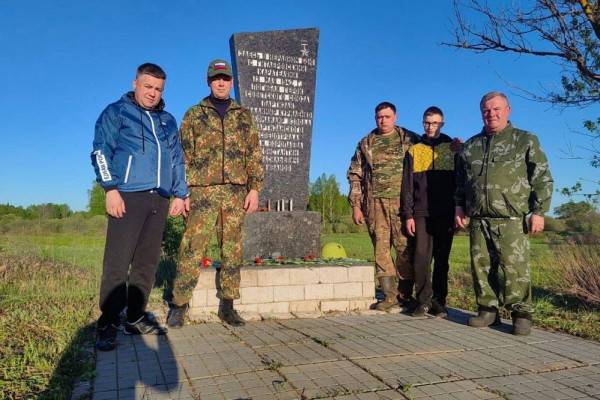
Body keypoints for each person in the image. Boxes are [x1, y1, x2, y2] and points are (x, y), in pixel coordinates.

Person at [91, 63, 189, 351]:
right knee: (117, 263)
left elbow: (177, 159)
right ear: (136, 83)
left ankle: (134, 317)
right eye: (148, 86)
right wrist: (110, 189)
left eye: (158, 89)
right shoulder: (117, 112)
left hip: (159, 199)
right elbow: (100, 152)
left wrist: (180, 194)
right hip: (127, 196)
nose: (153, 93)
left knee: (147, 264)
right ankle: (107, 322)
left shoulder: (168, 121)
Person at [167, 59, 264, 327]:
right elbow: (180, 155)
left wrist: (254, 188)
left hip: (235, 191)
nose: (221, 82)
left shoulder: (243, 115)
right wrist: (181, 191)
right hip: (202, 191)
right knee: (191, 247)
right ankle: (179, 304)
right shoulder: (194, 114)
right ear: (209, 82)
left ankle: (229, 305)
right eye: (215, 78)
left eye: (225, 78)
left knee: (232, 249)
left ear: (231, 81)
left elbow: (254, 154)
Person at [455, 91, 553, 335]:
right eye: (486, 110)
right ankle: (488, 310)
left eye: (496, 109)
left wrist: (539, 211)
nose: (492, 114)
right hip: (479, 219)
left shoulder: (525, 140)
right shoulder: (471, 146)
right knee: (482, 268)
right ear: (481, 113)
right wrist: (459, 206)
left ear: (508, 110)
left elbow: (541, 177)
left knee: (515, 268)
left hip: (511, 219)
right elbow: (460, 181)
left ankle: (521, 313)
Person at [347, 102, 419, 311]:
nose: (383, 120)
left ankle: (405, 294)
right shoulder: (366, 143)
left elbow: (429, 160)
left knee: (405, 248)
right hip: (375, 204)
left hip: (402, 205)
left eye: (387, 116)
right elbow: (355, 175)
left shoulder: (410, 139)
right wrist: (356, 206)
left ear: (395, 117)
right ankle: (389, 295)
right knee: (381, 249)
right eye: (379, 117)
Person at [401, 106, 456, 318]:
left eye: (435, 123)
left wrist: (459, 209)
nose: (430, 126)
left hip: (445, 212)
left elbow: (459, 180)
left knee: (442, 259)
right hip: (421, 213)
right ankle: (423, 300)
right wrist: (408, 215)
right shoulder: (414, 150)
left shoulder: (452, 148)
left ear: (442, 124)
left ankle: (439, 302)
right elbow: (407, 185)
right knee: (421, 258)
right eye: (427, 122)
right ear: (422, 123)